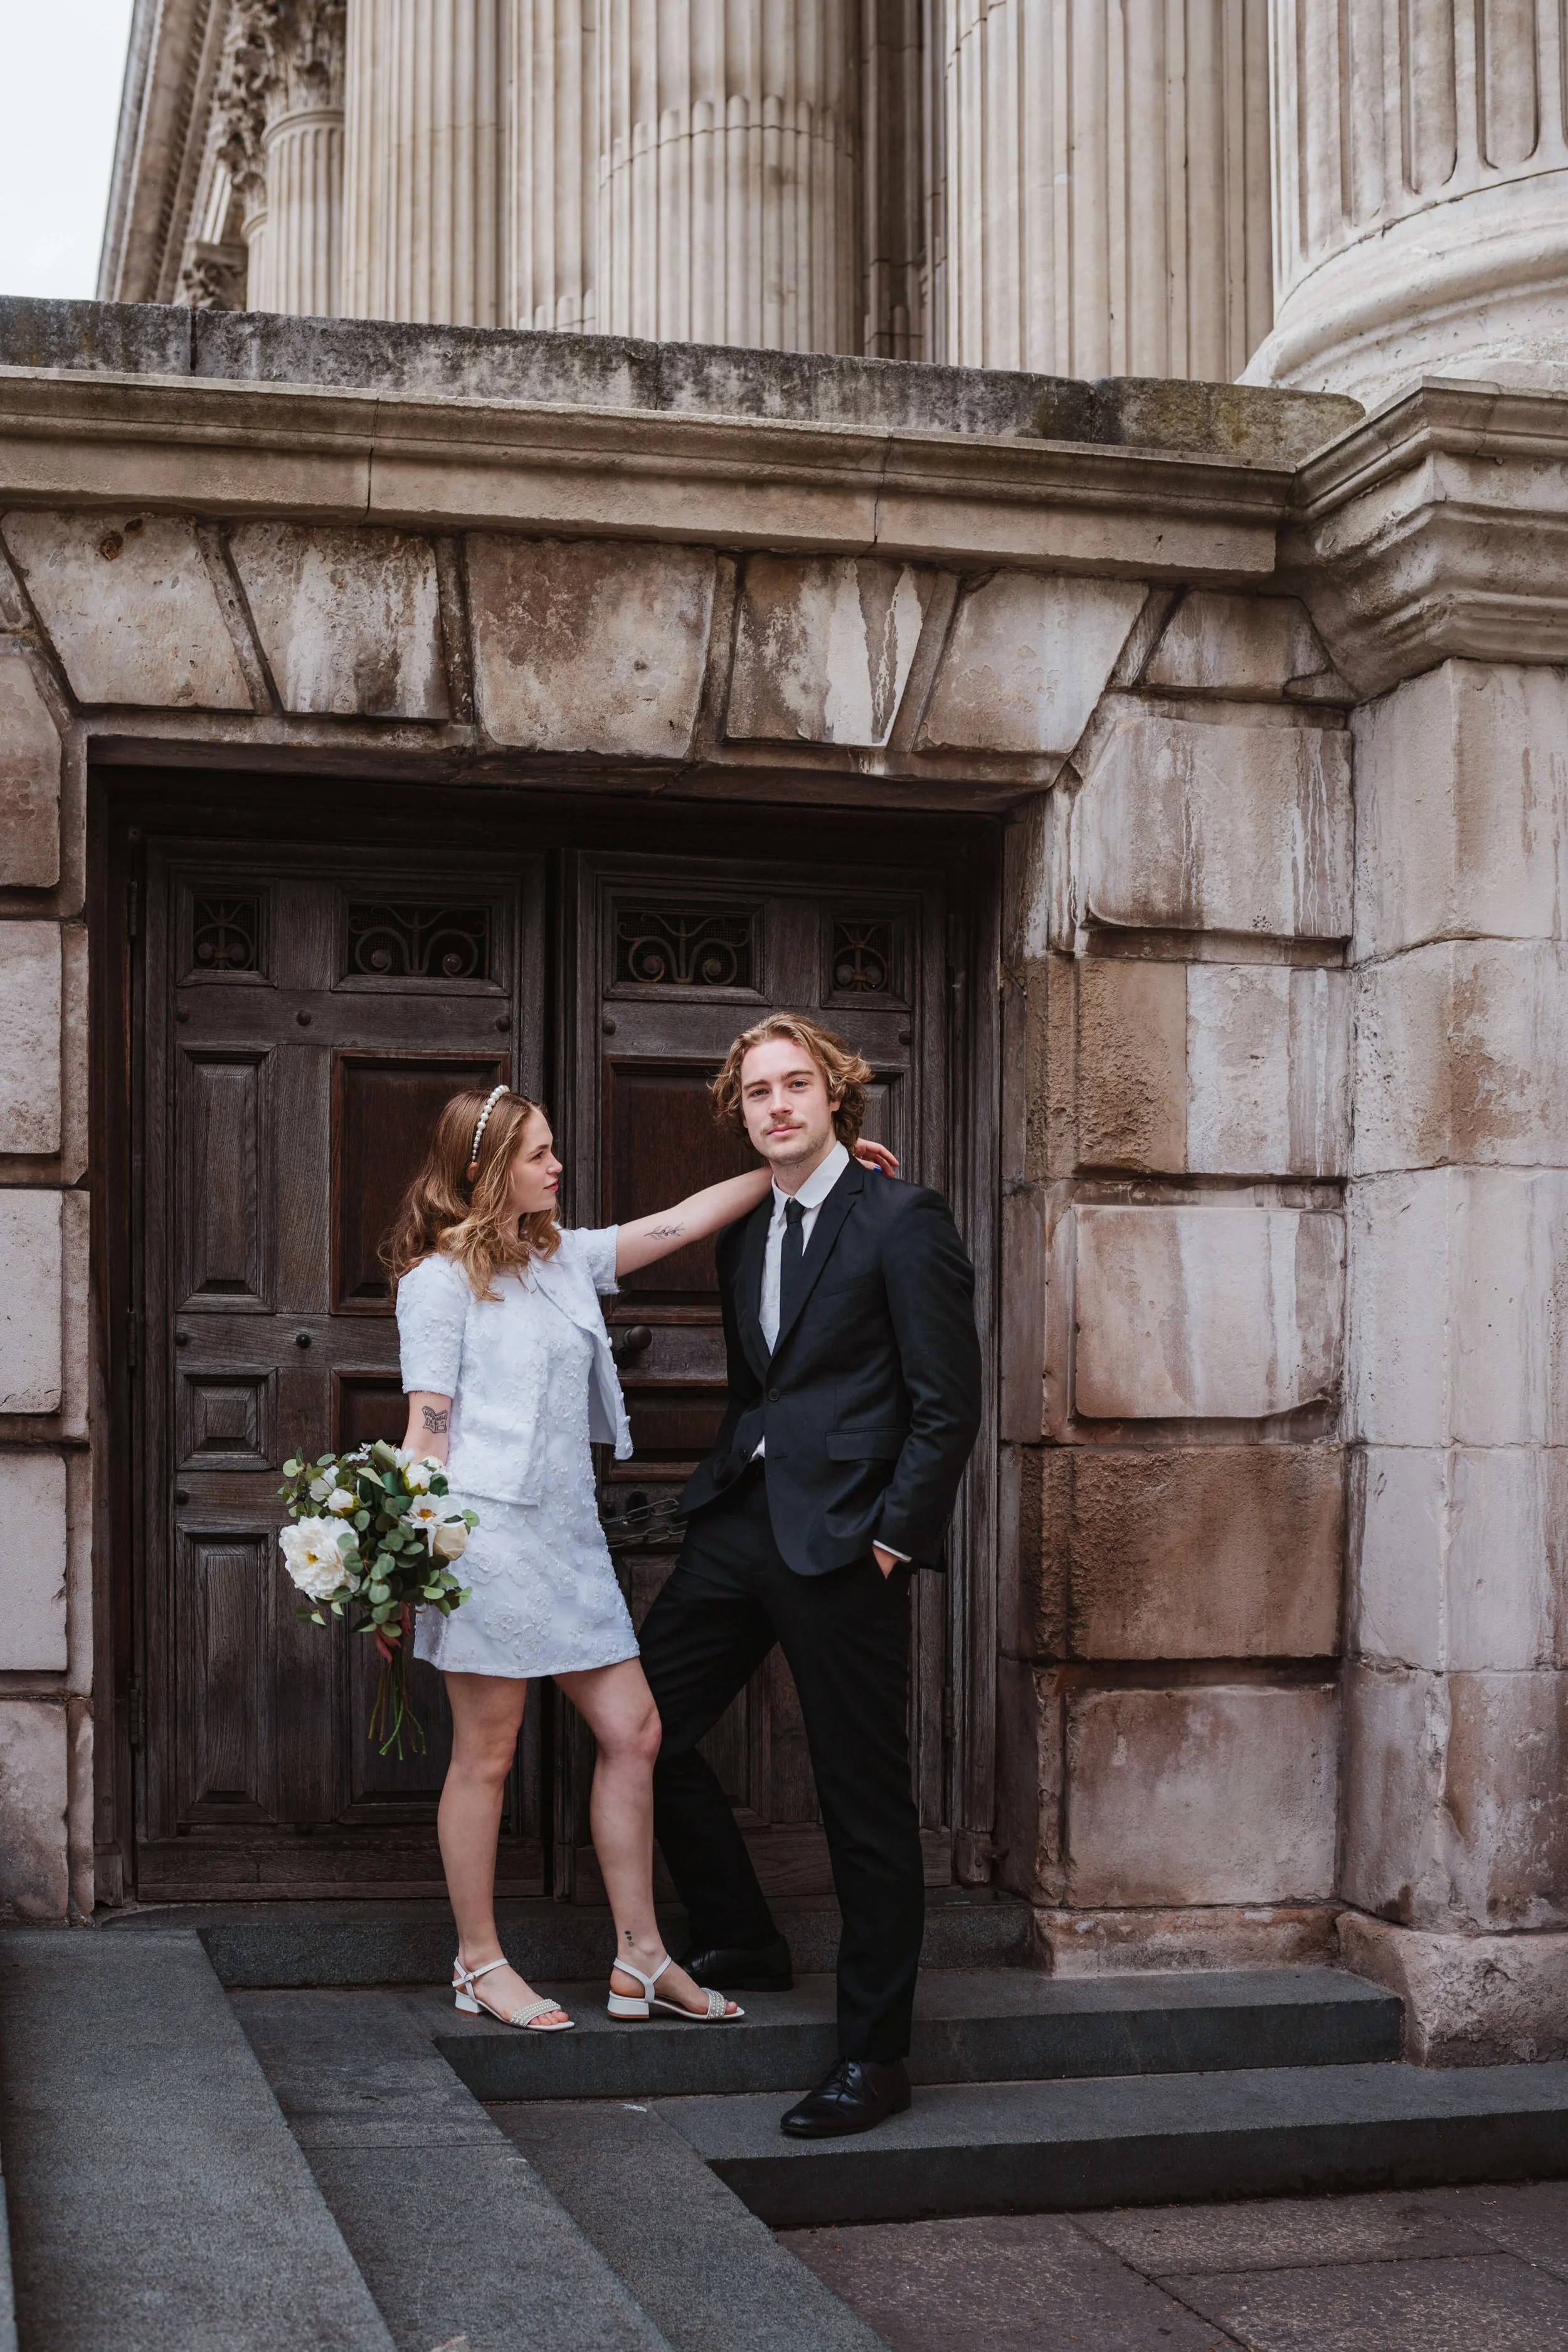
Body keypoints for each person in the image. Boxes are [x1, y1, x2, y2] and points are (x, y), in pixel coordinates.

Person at [385, 1081, 894, 2033]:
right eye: (539, 1153)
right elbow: (428, 1426)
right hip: (483, 1541)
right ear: (488, 1172)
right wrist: (400, 1566)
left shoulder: (563, 1258)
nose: (557, 1165)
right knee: (486, 1757)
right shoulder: (439, 1281)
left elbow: (680, 1220)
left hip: (569, 1539)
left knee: (638, 1733)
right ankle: (479, 1961)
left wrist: (809, 1167)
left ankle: (641, 1956)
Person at [637, 1014, 983, 2137]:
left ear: (837, 1096)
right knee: (640, 1723)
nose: (778, 1105)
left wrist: (892, 1539)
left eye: (797, 1086)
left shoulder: (901, 1217)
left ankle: (873, 2057)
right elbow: (763, 1384)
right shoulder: (745, 1230)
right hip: (742, 1521)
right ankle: (742, 1931)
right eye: (757, 1093)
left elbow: (947, 1401)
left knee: (861, 1797)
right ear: (739, 1111)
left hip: (846, 1545)